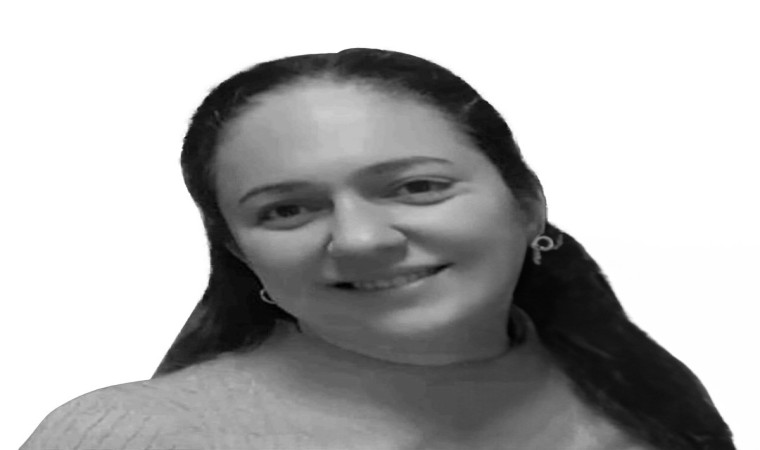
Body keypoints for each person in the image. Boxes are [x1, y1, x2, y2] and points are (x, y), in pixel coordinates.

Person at [21, 48, 735, 450]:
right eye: (287, 209)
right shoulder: (141, 437)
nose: (361, 239)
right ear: (239, 252)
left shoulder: (644, 401)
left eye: (417, 187)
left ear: (527, 205)